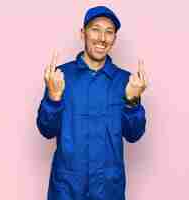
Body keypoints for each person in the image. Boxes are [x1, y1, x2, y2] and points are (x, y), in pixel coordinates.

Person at [36, 5, 148, 200]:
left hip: (108, 188)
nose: (102, 38)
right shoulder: (61, 77)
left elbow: (134, 135)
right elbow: (46, 130)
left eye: (109, 32)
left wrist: (132, 101)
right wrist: (53, 98)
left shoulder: (126, 82)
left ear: (114, 39)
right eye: (95, 29)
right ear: (83, 33)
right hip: (67, 187)